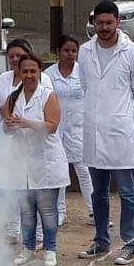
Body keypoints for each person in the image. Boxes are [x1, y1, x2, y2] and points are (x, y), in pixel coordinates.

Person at [77, 0, 134, 265]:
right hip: (94, 132)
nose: (104, 28)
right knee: (98, 192)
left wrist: (121, 115)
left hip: (119, 132)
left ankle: (129, 243)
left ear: (118, 21)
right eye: (99, 23)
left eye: (109, 22)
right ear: (93, 23)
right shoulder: (85, 52)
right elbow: (85, 85)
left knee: (127, 192)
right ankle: (101, 240)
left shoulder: (133, 53)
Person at [0, 53, 69, 266]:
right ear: (19, 71)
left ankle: (49, 250)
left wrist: (27, 123)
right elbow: (6, 129)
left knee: (47, 210)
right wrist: (9, 125)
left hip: (46, 162)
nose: (29, 75)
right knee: (26, 211)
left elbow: (52, 125)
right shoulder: (12, 97)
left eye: (33, 71)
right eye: (25, 71)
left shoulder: (48, 95)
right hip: (21, 162)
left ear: (40, 73)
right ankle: (28, 248)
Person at [0, 37, 52, 243]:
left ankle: (40, 235)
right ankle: (12, 230)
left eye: (19, 56)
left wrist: (26, 121)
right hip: (8, 138)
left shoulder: (44, 80)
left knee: (35, 191)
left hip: (33, 142)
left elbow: (48, 110)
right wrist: (3, 112)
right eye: (11, 56)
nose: (15, 60)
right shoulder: (3, 79)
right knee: (11, 187)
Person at [43, 34, 95, 226]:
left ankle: (93, 211)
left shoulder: (83, 73)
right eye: (66, 50)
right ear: (58, 51)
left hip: (79, 129)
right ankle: (60, 212)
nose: (70, 54)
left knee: (83, 170)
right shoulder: (48, 75)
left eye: (74, 51)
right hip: (55, 129)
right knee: (59, 171)